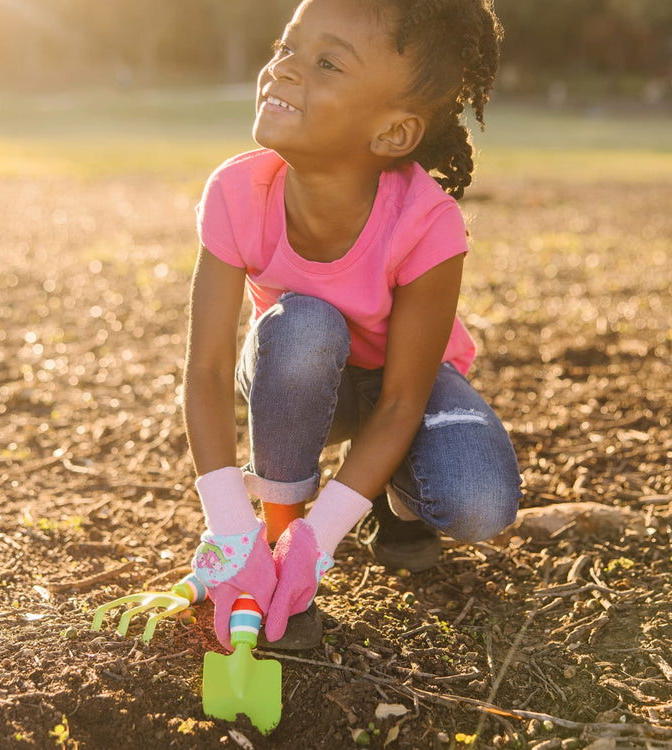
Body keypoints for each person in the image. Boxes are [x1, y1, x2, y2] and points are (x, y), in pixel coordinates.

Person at [184, 0, 522, 652]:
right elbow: (205, 370)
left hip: (404, 392)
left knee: (480, 500)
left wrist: (323, 540)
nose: (283, 69)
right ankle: (277, 541)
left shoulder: (427, 223)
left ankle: (393, 507)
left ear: (393, 133)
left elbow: (401, 401)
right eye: (287, 48)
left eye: (327, 62)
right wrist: (232, 533)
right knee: (306, 324)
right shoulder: (236, 192)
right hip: (301, 377)